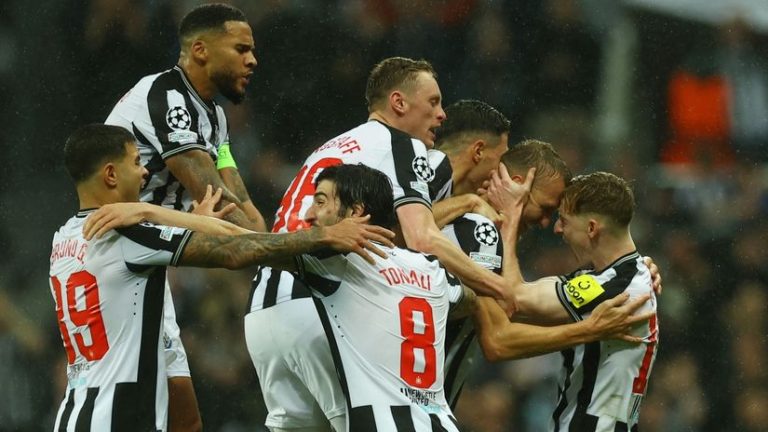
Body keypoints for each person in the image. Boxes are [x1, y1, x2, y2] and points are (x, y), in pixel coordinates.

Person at [50, 124, 393, 431]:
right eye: (136, 162)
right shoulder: (126, 235)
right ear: (111, 174)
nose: (144, 172)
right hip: (121, 418)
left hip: (77, 411)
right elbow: (233, 251)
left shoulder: (63, 238)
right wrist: (322, 236)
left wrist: (186, 221)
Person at [244, 58, 512, 432]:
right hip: (323, 302)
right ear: (399, 103)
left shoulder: (335, 146)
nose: (441, 114)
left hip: (265, 306)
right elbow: (421, 236)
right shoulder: (402, 145)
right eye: (433, 102)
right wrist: (500, 286)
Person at [258, 163, 530, 431]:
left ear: (355, 212)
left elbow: (249, 250)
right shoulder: (430, 268)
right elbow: (468, 300)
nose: (309, 214)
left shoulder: (339, 262)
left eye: (320, 202)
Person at [104, 4, 266, 429]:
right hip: (116, 258)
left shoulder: (215, 116)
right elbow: (221, 207)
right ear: (200, 50)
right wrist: (287, 248)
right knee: (128, 412)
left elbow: (241, 204)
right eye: (241, 49)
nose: (253, 60)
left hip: (155, 256)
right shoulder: (167, 98)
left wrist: (266, 243)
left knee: (186, 419)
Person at [427, 105, 653, 408]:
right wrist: (588, 331)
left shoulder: (455, 218)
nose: (548, 224)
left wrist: (634, 270)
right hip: (414, 404)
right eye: (545, 209)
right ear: (515, 185)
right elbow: (498, 341)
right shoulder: (480, 231)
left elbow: (515, 307)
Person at [485, 169, 659, 431]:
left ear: (591, 228)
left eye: (564, 220)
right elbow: (517, 301)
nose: (557, 229)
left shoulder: (615, 289)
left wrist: (510, 218)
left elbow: (513, 298)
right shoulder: (627, 275)